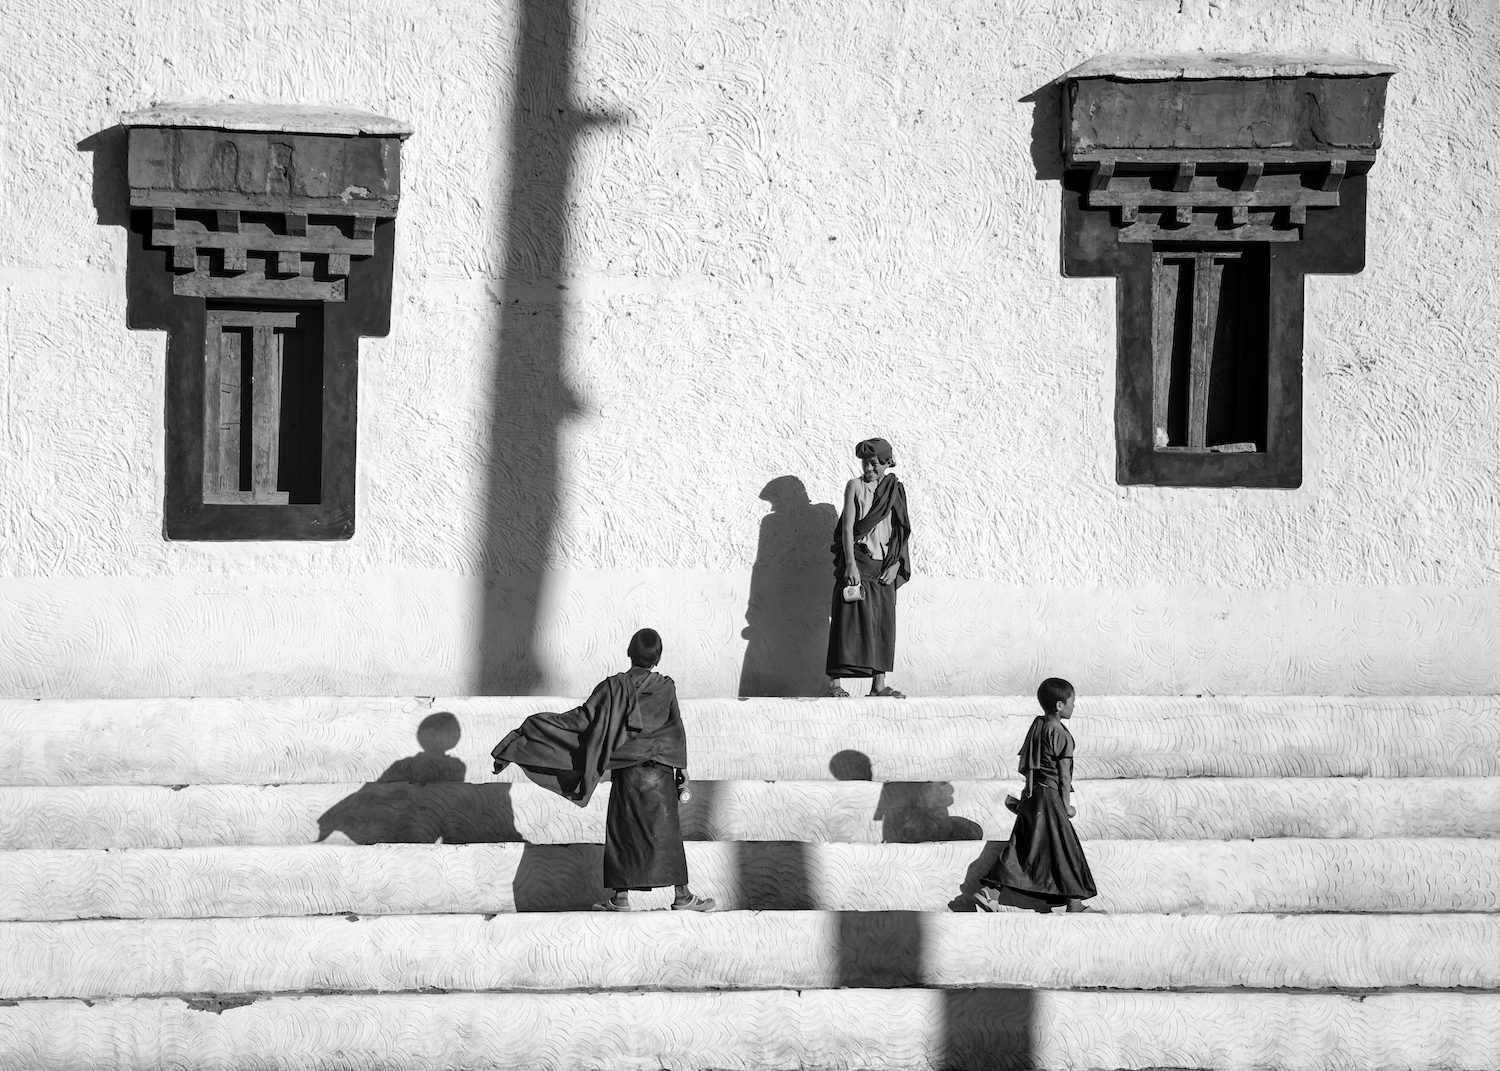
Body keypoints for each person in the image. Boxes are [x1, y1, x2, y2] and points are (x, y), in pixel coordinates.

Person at [491, 628, 715, 912]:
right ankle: (682, 895)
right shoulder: (666, 687)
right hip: (660, 770)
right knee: (668, 833)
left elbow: (582, 719)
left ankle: (621, 898)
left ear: (628, 652)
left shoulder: (613, 687)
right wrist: (680, 767)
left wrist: (535, 727)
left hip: (628, 770)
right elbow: (675, 728)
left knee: (623, 832)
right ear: (658, 659)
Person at [975, 677, 1098, 914]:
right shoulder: (1062, 735)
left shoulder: (1038, 726)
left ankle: (991, 893)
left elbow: (1032, 766)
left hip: (1033, 795)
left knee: (1021, 846)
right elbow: (1064, 777)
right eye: (1072, 702)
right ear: (1060, 705)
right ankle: (1074, 904)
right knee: (1066, 848)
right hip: (1051, 799)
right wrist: (1066, 806)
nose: (1075, 706)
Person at [825, 437, 912, 698]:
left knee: (882, 622)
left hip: (884, 565)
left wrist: (897, 564)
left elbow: (901, 531)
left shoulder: (895, 490)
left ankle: (878, 686)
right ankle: (834, 684)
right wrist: (849, 563)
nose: (869, 468)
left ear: (887, 463)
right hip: (859, 561)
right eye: (865, 463)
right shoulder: (854, 486)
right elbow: (848, 529)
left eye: (874, 463)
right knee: (847, 621)